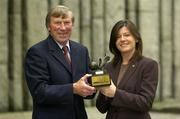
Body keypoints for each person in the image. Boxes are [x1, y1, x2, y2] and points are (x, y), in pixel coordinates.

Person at [24, 5, 96, 119]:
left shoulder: (81, 50)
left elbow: (87, 88)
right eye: (57, 23)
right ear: (48, 26)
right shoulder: (36, 52)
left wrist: (98, 83)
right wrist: (73, 88)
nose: (62, 28)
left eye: (67, 22)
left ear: (72, 25)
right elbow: (39, 92)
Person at [96, 20, 159, 119]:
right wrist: (103, 92)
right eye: (118, 37)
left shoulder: (149, 65)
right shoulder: (108, 67)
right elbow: (101, 108)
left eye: (126, 35)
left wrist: (115, 93)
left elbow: (146, 103)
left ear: (136, 39)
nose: (122, 39)